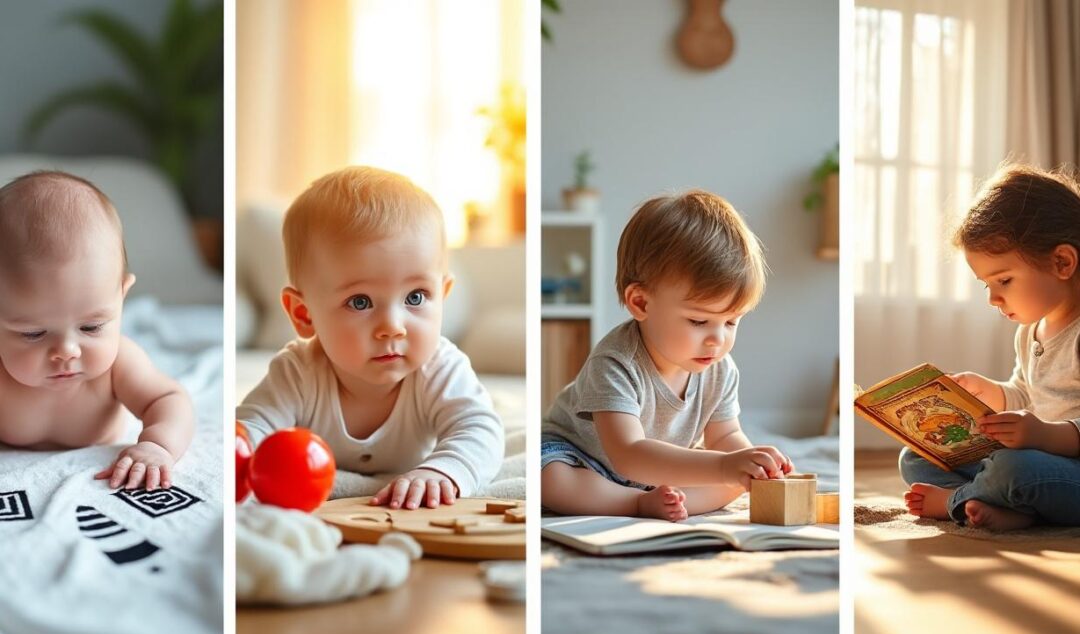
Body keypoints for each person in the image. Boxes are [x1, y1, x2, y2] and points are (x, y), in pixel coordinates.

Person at [238, 166, 503, 509]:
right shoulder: (297, 372)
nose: (393, 326)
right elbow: (250, 431)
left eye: (416, 297)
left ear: (443, 294)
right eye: (359, 302)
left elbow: (480, 429)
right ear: (304, 314)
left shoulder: (440, 368)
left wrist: (444, 471)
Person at [541, 190, 792, 522]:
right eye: (699, 321)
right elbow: (628, 455)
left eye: (732, 321)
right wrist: (721, 465)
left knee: (734, 482)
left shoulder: (719, 369)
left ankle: (663, 498)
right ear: (641, 303)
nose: (718, 339)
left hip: (659, 471)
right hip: (587, 462)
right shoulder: (614, 364)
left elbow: (725, 436)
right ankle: (633, 503)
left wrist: (749, 463)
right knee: (551, 480)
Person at [903, 164, 1080, 530]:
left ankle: (958, 500)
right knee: (917, 458)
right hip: (1038, 458)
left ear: (1062, 262)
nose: (994, 298)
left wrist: (1046, 435)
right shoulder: (1031, 331)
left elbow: (1040, 430)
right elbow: (1025, 393)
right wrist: (991, 393)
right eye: (987, 285)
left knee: (1015, 469)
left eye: (1004, 280)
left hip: (1063, 470)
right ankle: (1012, 505)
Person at [0, 171, 194, 490]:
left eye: (91, 327)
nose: (67, 351)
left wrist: (158, 445)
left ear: (121, 295)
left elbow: (170, 399)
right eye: (33, 333)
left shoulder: (119, 364)